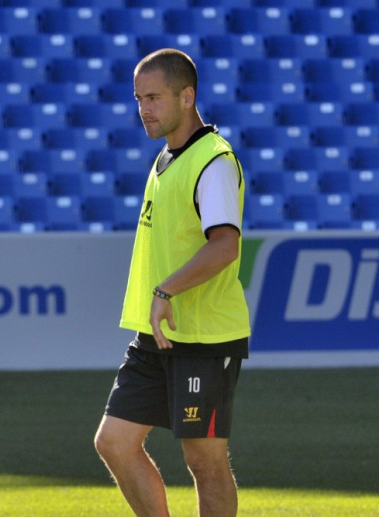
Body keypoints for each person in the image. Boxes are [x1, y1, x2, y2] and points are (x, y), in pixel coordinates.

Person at [93, 48, 250, 517]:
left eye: (154, 98)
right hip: (157, 334)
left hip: (204, 334)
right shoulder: (165, 157)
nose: (144, 109)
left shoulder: (213, 160)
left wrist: (165, 292)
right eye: (139, 98)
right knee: (114, 443)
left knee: (203, 460)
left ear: (187, 96)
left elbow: (225, 246)